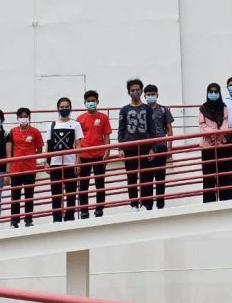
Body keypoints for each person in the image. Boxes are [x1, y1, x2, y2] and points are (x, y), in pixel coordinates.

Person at [118, 78, 153, 211]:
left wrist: (152, 148)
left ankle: (146, 204)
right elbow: (121, 130)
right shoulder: (124, 110)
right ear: (128, 92)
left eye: (137, 90)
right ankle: (134, 204)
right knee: (131, 177)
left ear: (141, 91)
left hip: (145, 147)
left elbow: (152, 129)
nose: (135, 92)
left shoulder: (147, 109)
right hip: (129, 148)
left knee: (146, 177)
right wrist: (120, 148)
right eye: (132, 90)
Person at [47, 97, 84, 222]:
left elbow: (78, 144)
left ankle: (69, 217)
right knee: (56, 194)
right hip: (55, 164)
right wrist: (47, 162)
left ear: (70, 108)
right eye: (62, 107)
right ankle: (57, 219)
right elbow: (49, 145)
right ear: (58, 109)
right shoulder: (52, 125)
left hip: (70, 163)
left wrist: (77, 162)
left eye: (67, 107)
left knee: (71, 193)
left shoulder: (76, 124)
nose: (64, 109)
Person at [77, 90, 112, 218]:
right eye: (88, 101)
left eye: (93, 101)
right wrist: (77, 158)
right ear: (84, 103)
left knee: (100, 184)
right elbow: (77, 140)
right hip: (84, 156)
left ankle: (99, 210)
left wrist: (107, 152)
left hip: (99, 155)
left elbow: (107, 136)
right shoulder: (80, 119)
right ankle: (84, 211)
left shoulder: (103, 117)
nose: (91, 103)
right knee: (83, 185)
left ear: (97, 102)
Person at [8, 108, 44, 227]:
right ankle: (14, 221)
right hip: (16, 169)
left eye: (26, 116)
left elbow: (40, 149)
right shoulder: (12, 131)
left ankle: (28, 220)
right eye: (21, 116)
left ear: (29, 118)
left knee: (29, 196)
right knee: (15, 196)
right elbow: (9, 150)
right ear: (17, 118)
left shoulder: (35, 132)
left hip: (30, 169)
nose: (23, 118)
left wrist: (31, 157)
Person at [198, 84, 230, 203]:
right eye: (210, 92)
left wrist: (219, 137)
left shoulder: (224, 107)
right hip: (207, 146)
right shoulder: (203, 109)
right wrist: (213, 135)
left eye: (216, 91)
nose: (213, 94)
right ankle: (209, 203)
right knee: (208, 176)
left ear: (219, 93)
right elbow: (202, 126)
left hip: (221, 145)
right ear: (207, 93)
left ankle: (224, 201)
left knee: (223, 175)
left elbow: (226, 125)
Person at [145, 84, 174, 210]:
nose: (151, 96)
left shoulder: (163, 110)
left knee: (160, 177)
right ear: (145, 96)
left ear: (157, 94)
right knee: (147, 178)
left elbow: (169, 129)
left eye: (153, 94)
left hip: (161, 146)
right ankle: (148, 206)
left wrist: (170, 148)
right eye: (148, 94)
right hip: (146, 148)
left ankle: (160, 205)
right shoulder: (143, 110)